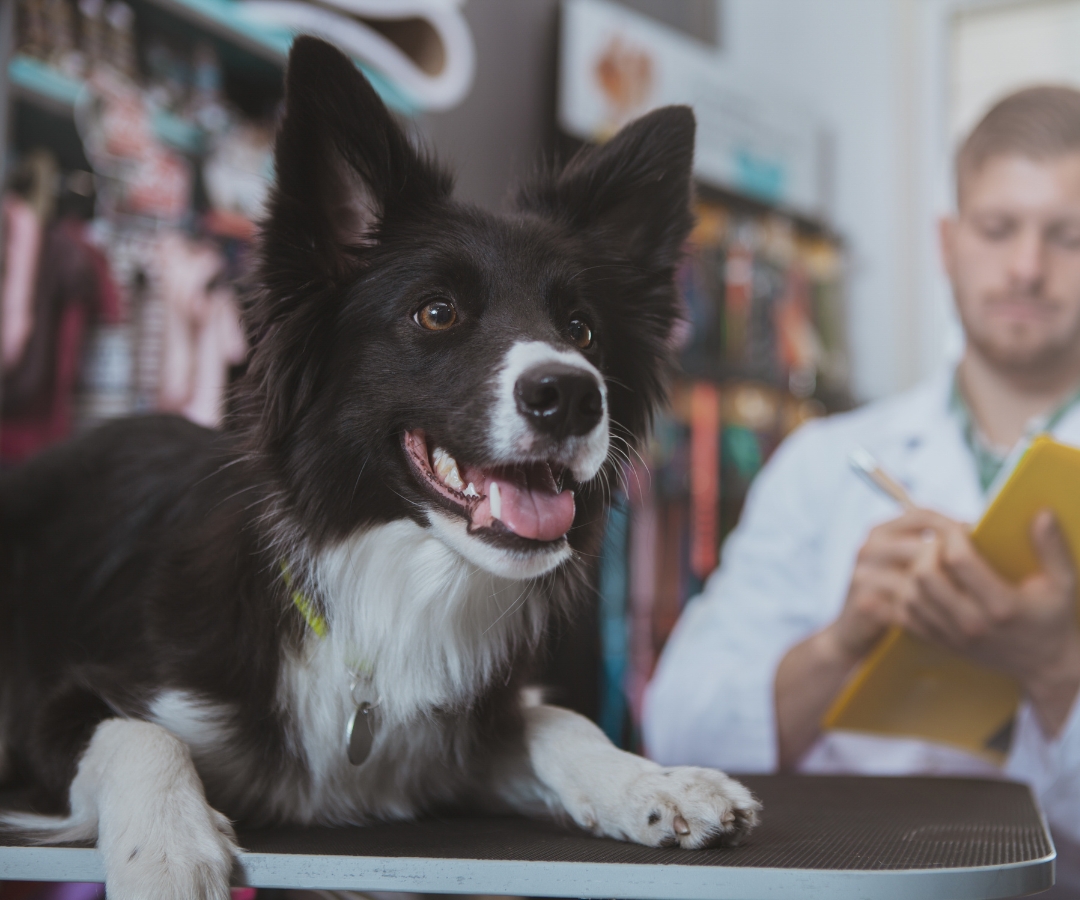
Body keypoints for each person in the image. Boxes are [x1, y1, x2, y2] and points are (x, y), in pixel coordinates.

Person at [643, 85, 1080, 891]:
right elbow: (674, 732)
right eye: (997, 229)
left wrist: (1057, 670)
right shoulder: (823, 461)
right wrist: (844, 644)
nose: (1027, 267)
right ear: (947, 243)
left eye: (1067, 238)